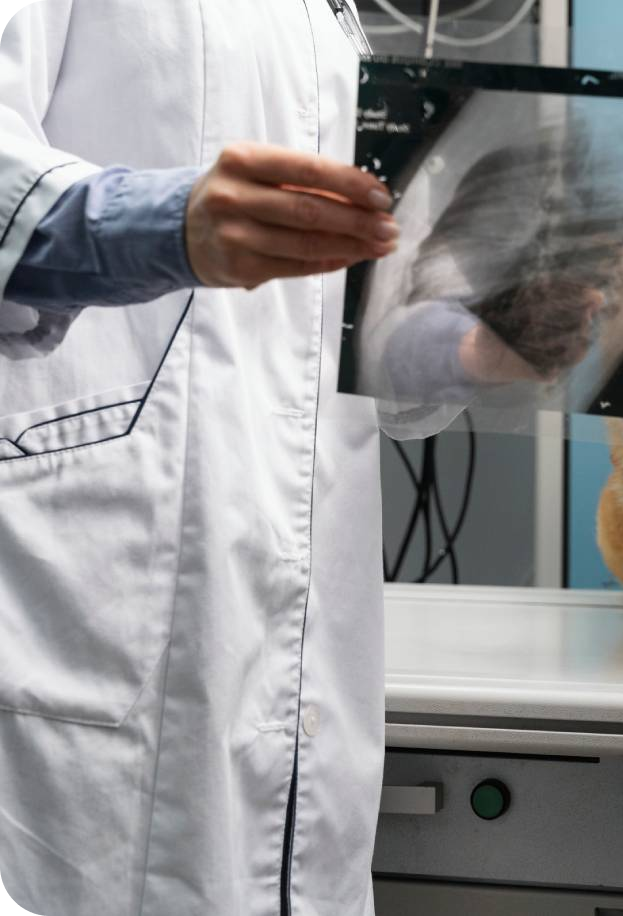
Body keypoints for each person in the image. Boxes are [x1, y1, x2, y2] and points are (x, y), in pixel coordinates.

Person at [0, 2, 473, 913]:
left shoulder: (329, 16)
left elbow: (332, 326)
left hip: (295, 631)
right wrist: (158, 224)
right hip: (90, 580)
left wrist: (459, 341)